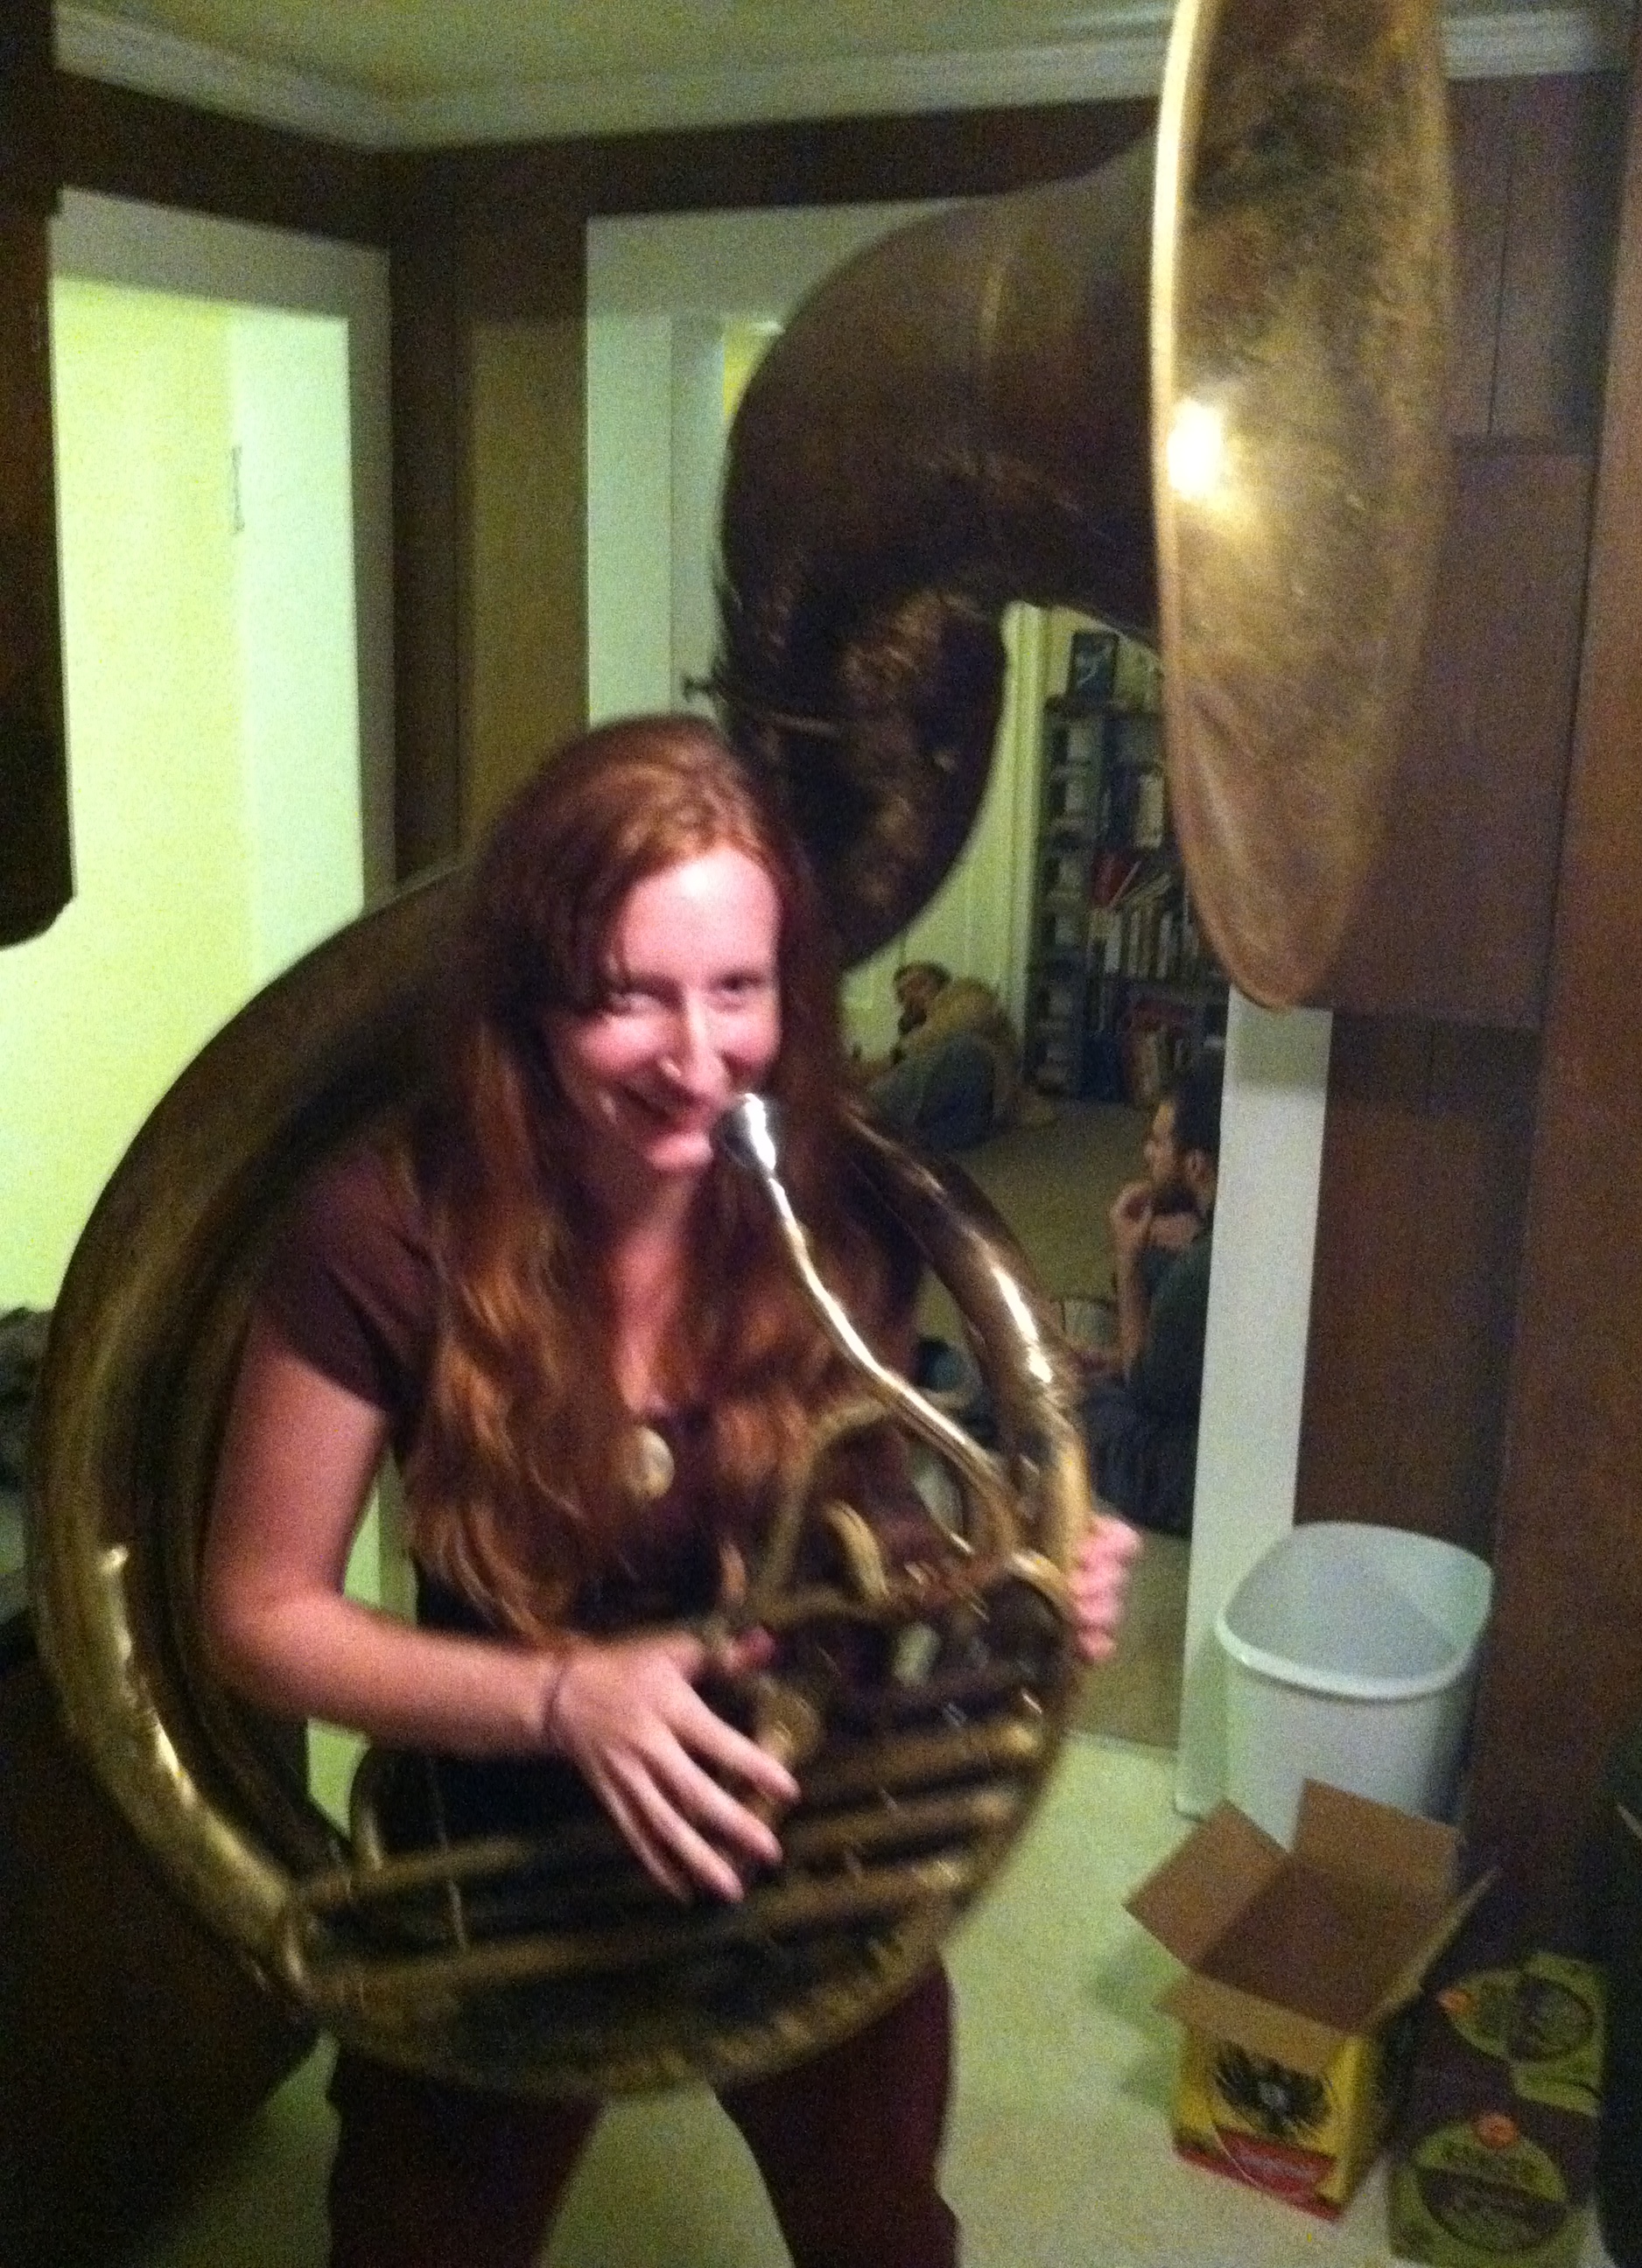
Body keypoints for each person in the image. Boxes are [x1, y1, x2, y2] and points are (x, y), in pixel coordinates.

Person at [200, 714, 1135, 2268]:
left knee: (883, 2234)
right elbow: (258, 1612)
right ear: (531, 999)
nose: (700, 1059)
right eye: (630, 994)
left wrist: (1009, 1586)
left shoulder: (838, 1209)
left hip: (813, 1834)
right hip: (500, 1851)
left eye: (738, 989)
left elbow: (866, 1518)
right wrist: (564, 1699)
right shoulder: (382, 1228)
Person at [1075, 1048, 1224, 1537]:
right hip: (1214, 1415)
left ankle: (955, 1379)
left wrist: (1128, 1260)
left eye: (1159, 1143)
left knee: (1064, 1401)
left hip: (1198, 1471)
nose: (1147, 1154)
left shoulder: (1201, 1272)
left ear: (1196, 1166)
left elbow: (1145, 1393)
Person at [857, 960, 1023, 1152]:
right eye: (902, 995)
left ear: (941, 983)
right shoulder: (914, 1032)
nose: (910, 996)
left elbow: (972, 1017)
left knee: (964, 1049)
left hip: (983, 1085)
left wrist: (895, 1057)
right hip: (962, 1115)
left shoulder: (965, 991)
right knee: (904, 1141)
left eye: (918, 985)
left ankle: (854, 1118)